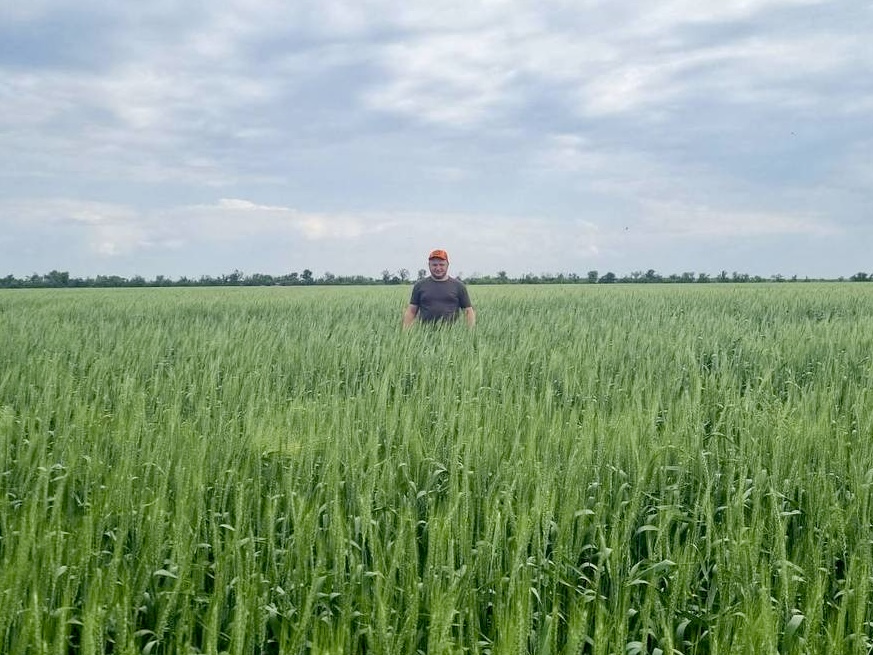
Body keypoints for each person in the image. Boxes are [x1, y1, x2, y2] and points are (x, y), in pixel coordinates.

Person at [402, 249, 475, 328]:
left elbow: (468, 312)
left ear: (447, 265)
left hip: (452, 335)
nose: (438, 268)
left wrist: (470, 332)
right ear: (429, 265)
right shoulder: (419, 285)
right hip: (424, 335)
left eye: (441, 264)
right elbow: (411, 311)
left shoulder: (459, 286)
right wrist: (406, 332)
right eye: (434, 265)